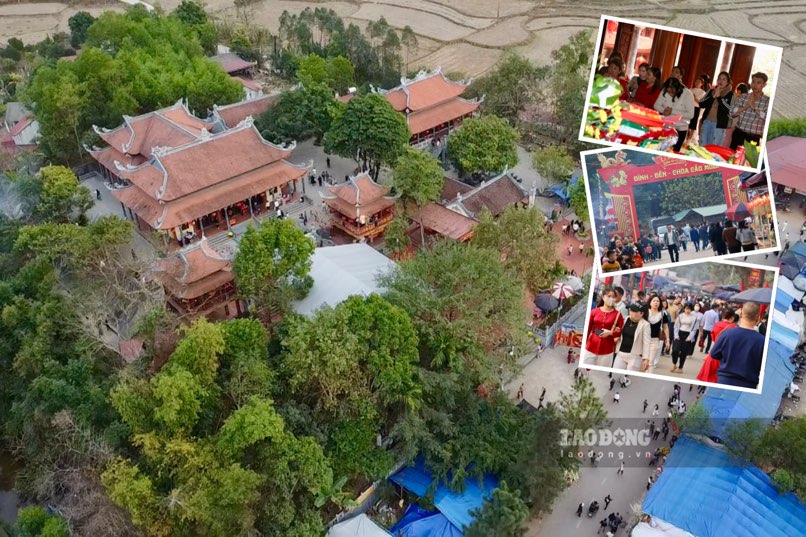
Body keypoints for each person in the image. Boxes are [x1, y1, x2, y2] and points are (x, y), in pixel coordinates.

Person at [709, 302, 766, 388]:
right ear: (758, 319)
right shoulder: (762, 341)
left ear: (741, 315)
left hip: (725, 379)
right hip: (748, 384)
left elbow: (714, 354)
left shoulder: (727, 333)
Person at [729, 72, 770, 150]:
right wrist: (746, 106)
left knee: (748, 161)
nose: (755, 85)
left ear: (764, 85)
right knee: (733, 158)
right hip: (738, 133)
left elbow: (766, 117)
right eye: (753, 82)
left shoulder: (767, 100)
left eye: (758, 82)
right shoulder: (744, 96)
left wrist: (754, 108)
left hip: (754, 138)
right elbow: (732, 113)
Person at [585, 288, 624, 366]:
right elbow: (589, 329)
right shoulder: (594, 312)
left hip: (607, 349)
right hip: (591, 346)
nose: (611, 298)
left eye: (613, 297)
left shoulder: (618, 315)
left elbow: (621, 331)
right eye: (609, 296)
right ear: (603, 297)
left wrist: (610, 332)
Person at [654, 77, 695, 153]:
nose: (669, 91)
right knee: (660, 150)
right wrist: (664, 111)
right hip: (666, 126)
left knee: (674, 153)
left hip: (680, 128)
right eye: (668, 89)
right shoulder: (665, 91)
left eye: (672, 89)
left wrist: (672, 111)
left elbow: (690, 114)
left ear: (678, 88)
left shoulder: (687, 94)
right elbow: (656, 105)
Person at [698, 71, 734, 146]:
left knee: (713, 149)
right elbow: (701, 104)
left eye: (724, 79)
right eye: (719, 79)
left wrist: (719, 97)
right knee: (702, 147)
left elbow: (728, 109)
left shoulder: (730, 94)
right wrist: (713, 96)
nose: (721, 81)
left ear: (727, 82)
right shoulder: (711, 91)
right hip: (707, 122)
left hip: (719, 125)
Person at [613, 303, 652, 372]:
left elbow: (647, 342)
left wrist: (646, 358)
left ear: (641, 313)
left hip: (635, 356)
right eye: (631, 310)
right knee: (615, 374)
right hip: (621, 353)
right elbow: (618, 332)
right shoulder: (625, 320)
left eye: (634, 311)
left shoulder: (645, 325)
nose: (631, 312)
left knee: (628, 377)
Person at [672, 303, 700, 373]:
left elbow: (694, 329)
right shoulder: (680, 316)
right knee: (675, 350)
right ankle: (674, 364)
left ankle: (680, 367)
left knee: (684, 352)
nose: (688, 310)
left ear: (691, 309)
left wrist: (690, 337)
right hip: (679, 333)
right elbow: (676, 326)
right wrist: (676, 335)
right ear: (684, 309)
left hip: (688, 335)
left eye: (689, 309)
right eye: (686, 309)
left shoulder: (694, 318)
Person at [646, 295, 671, 371]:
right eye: (654, 301)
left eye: (657, 301)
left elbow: (666, 327)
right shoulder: (645, 312)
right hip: (644, 339)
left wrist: (668, 340)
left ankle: (648, 376)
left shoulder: (663, 314)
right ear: (650, 302)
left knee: (651, 362)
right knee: (642, 359)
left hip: (655, 340)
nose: (656, 303)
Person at [686, 76, 708, 146]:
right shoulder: (690, 90)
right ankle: (686, 137)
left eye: (699, 82)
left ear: (702, 84)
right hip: (689, 108)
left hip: (696, 108)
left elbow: (701, 103)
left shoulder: (703, 93)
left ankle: (689, 139)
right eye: (696, 81)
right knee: (686, 124)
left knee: (693, 125)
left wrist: (695, 98)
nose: (696, 83)